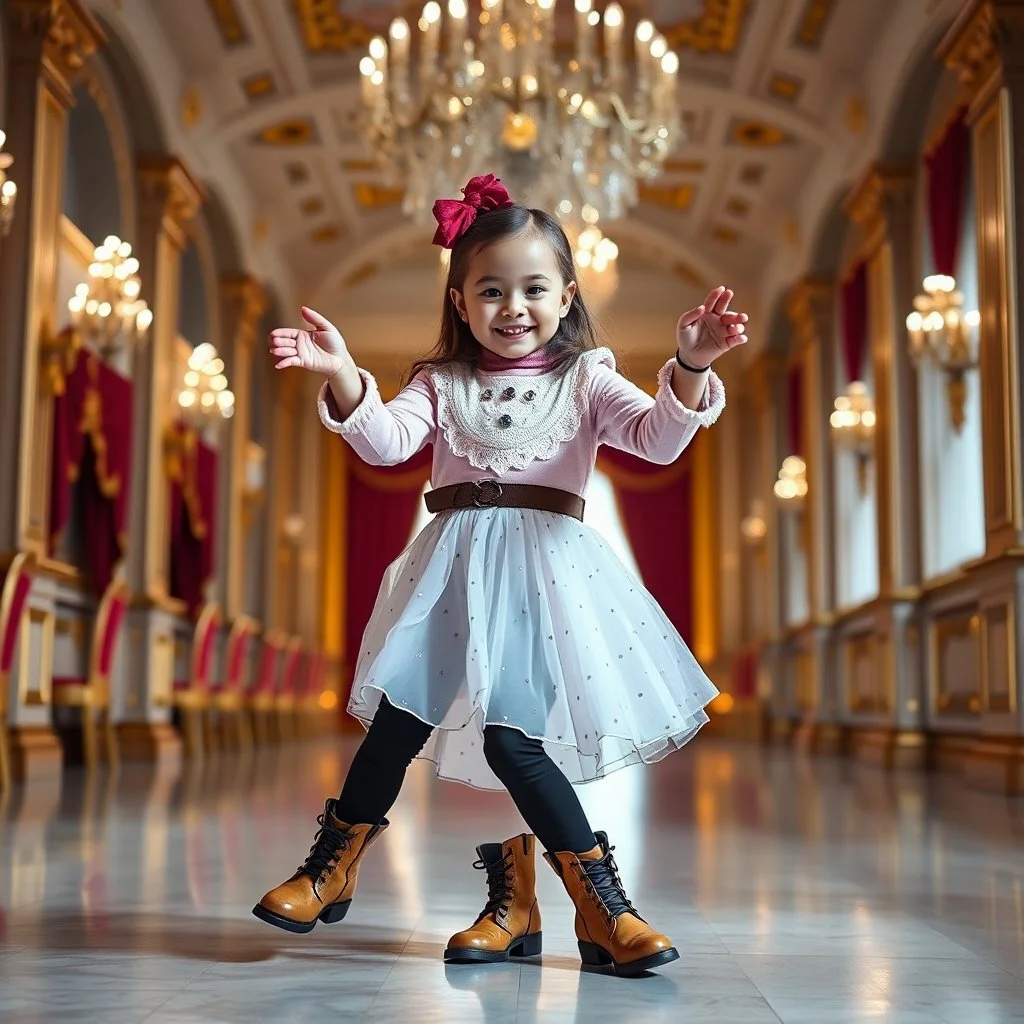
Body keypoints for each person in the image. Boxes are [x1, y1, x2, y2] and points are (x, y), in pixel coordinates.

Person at [255, 173, 747, 977]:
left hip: (546, 579)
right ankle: (328, 871)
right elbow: (382, 443)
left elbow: (658, 440)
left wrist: (690, 363)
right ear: (459, 302)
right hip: (449, 574)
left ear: (566, 296)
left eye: (532, 288)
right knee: (398, 722)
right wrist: (343, 373)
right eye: (489, 290)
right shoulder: (440, 383)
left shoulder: (588, 378)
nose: (511, 306)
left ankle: (602, 909)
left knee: (514, 739)